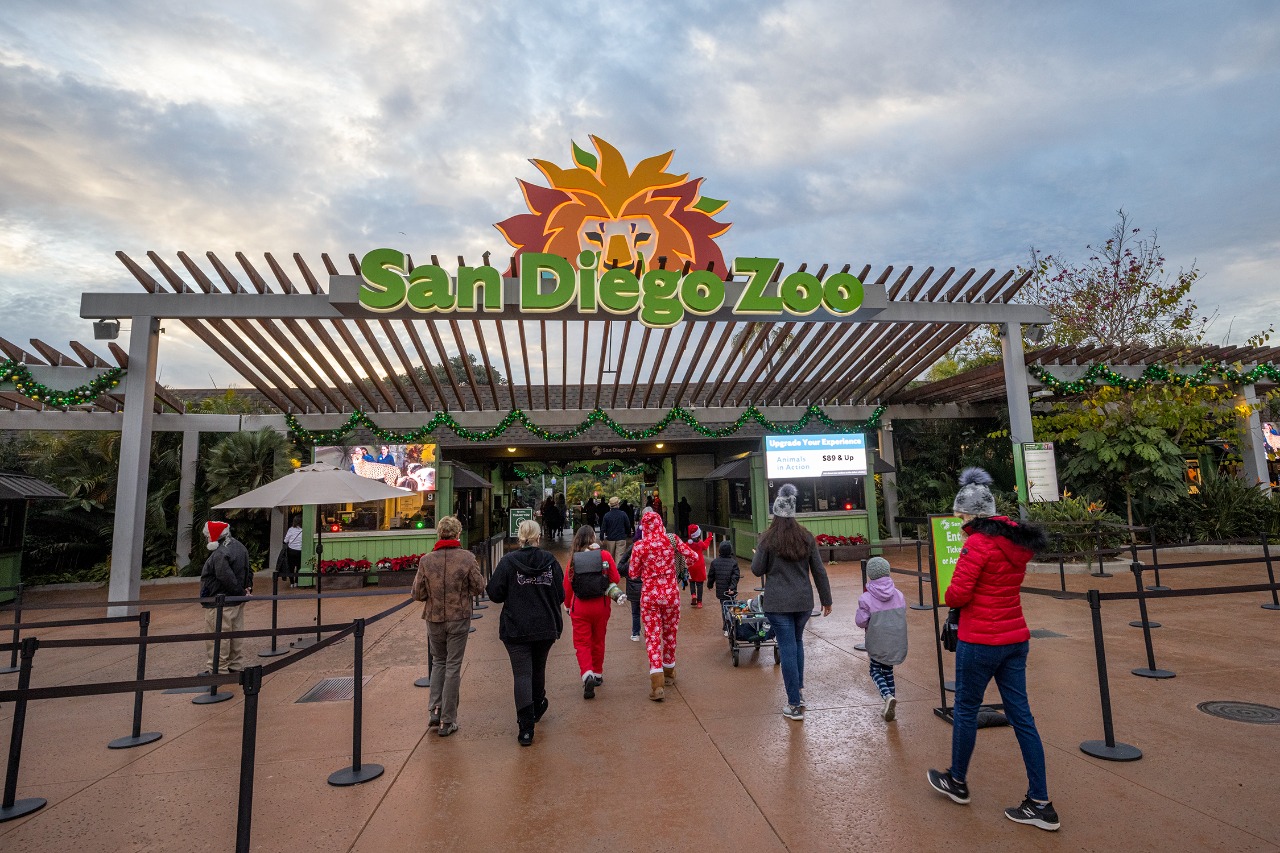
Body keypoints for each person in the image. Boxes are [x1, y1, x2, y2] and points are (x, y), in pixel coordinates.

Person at [927, 468, 1058, 831]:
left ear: (972, 516)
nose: (959, 521)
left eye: (961, 516)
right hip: (1015, 638)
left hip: (980, 639)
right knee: (1022, 717)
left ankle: (957, 780)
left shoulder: (977, 544)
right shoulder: (1017, 544)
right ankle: (1040, 802)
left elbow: (957, 594)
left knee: (966, 709)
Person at [750, 484, 833, 722]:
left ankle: (794, 704)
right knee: (797, 644)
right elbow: (819, 571)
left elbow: (757, 570)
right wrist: (826, 600)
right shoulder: (806, 537)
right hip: (803, 601)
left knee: (787, 647)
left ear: (775, 512)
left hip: (778, 603)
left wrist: (760, 554)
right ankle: (799, 693)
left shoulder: (768, 539)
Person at [486, 519, 564, 746]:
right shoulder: (549, 561)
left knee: (522, 674)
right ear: (538, 537)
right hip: (545, 625)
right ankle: (537, 705)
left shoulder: (509, 562)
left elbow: (494, 593)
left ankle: (526, 728)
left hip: (516, 626)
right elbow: (560, 593)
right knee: (538, 668)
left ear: (519, 537)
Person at [410, 516, 485, 737]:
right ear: (457, 534)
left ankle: (435, 708)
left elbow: (417, 593)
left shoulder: (426, 560)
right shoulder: (467, 558)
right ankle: (448, 719)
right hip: (459, 617)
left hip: (434, 618)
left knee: (438, 662)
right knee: (453, 665)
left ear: (439, 534)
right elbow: (479, 587)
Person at [629, 508, 698, 700]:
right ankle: (669, 672)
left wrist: (647, 570)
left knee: (652, 637)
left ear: (643, 527)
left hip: (650, 595)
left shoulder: (640, 546)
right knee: (670, 632)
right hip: (670, 594)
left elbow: (633, 573)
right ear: (661, 524)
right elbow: (693, 557)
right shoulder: (672, 539)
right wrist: (677, 570)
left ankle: (657, 682)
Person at [563, 526, 626, 699]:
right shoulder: (604, 555)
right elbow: (615, 578)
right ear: (593, 537)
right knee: (599, 640)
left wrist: (568, 605)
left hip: (580, 607)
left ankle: (587, 674)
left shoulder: (573, 560)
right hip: (601, 605)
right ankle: (597, 674)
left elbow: (567, 587)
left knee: (582, 643)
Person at [855, 556, 908, 721]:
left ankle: (887, 696)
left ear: (870, 574)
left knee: (875, 671)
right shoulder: (898, 594)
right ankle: (891, 701)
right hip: (895, 641)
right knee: (888, 671)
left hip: (877, 642)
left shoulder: (866, 598)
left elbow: (861, 621)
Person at [198, 521, 251, 674]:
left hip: (220, 602)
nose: (206, 538)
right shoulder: (240, 547)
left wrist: (239, 592)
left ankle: (218, 669)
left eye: (207, 536)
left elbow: (224, 576)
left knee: (218, 637)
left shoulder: (220, 553)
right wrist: (245, 590)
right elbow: (248, 570)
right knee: (235, 635)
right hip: (236, 601)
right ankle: (235, 666)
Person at [705, 540, 741, 635]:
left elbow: (711, 575)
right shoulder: (733, 562)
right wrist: (732, 587)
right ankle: (735, 625)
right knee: (732, 606)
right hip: (731, 591)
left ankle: (726, 627)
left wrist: (710, 585)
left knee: (724, 608)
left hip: (721, 591)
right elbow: (736, 576)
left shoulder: (715, 562)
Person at [619, 536, 643, 641]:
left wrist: (628, 552)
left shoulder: (629, 565)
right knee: (649, 613)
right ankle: (650, 633)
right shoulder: (647, 563)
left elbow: (619, 568)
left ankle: (636, 633)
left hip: (633, 591)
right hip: (646, 590)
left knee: (635, 613)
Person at [685, 524, 712, 608]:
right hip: (699, 565)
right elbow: (706, 545)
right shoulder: (700, 544)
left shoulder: (688, 544)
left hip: (691, 565)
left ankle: (693, 595)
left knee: (692, 582)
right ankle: (699, 602)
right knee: (700, 584)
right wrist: (710, 537)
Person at [600, 496, 632, 563]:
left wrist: (601, 538)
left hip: (610, 539)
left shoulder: (607, 515)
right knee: (619, 556)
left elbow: (603, 528)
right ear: (617, 504)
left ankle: (611, 571)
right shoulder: (623, 514)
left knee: (610, 557)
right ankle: (617, 571)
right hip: (621, 538)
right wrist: (627, 533)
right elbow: (628, 525)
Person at [282, 514, 303, 587]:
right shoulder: (304, 530)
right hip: (300, 550)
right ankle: (297, 582)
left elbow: (285, 540)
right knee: (298, 567)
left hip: (291, 550)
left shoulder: (291, 529)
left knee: (291, 567)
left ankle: (291, 583)